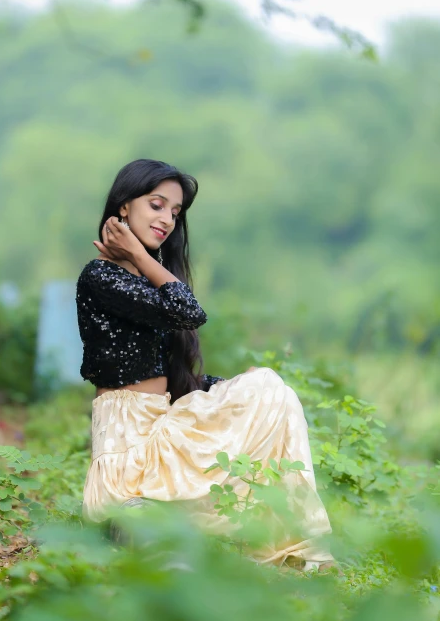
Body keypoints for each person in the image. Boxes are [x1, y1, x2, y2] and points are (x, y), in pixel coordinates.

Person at [76, 158, 337, 571]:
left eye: (175, 214)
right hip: (130, 451)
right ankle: (135, 522)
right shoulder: (101, 277)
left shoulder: (147, 285)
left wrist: (230, 385)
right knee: (266, 388)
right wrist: (140, 257)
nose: (167, 221)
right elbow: (189, 311)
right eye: (157, 205)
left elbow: (170, 377)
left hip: (162, 433)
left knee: (270, 390)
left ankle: (291, 547)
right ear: (124, 207)